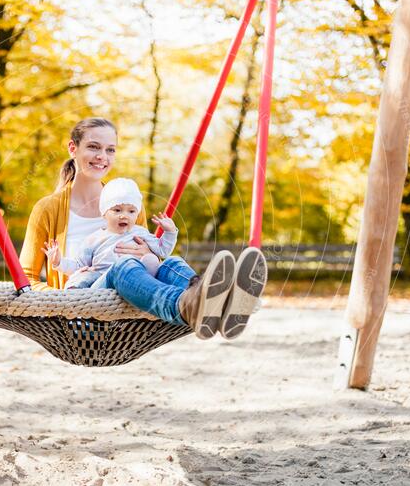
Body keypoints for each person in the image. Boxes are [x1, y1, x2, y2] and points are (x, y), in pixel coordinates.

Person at [19, 117, 266, 340]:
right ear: (73, 148)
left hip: (131, 314)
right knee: (124, 266)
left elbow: (150, 264)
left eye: (110, 150)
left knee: (170, 263)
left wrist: (150, 255)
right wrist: (61, 300)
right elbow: (26, 278)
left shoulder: (128, 202)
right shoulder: (47, 209)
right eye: (93, 147)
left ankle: (216, 301)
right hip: (83, 313)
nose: (102, 156)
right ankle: (184, 306)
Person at [42, 177, 178, 289]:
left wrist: (170, 232)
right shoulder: (94, 239)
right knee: (82, 276)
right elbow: (79, 265)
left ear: (137, 214)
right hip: (102, 277)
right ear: (104, 213)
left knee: (154, 260)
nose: (124, 216)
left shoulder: (140, 233)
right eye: (117, 210)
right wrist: (58, 261)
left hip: (133, 277)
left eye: (131, 211)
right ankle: (74, 298)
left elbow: (162, 250)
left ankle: (151, 279)